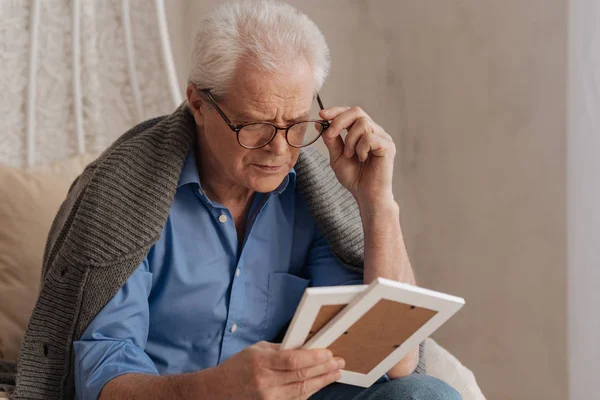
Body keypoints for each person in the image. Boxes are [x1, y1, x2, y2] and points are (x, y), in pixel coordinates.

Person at [16, 1, 462, 399]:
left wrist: (377, 201)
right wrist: (217, 389)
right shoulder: (125, 193)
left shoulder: (316, 193)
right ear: (198, 103)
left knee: (426, 394)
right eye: (254, 125)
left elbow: (397, 361)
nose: (280, 150)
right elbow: (101, 376)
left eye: (295, 124)